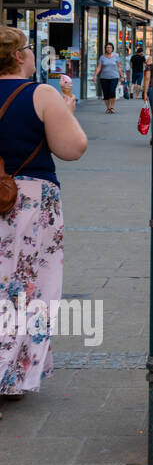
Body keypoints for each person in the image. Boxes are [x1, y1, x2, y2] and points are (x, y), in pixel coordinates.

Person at [0, 27, 88, 413]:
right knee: (29, 288)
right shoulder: (41, 94)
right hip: (30, 202)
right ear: (19, 57)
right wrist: (65, 115)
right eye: (29, 48)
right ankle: (13, 373)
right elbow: (73, 148)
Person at [92, 42, 122, 113]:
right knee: (105, 93)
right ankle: (108, 108)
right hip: (104, 78)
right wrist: (95, 75)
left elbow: (119, 68)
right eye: (107, 47)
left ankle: (112, 107)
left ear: (112, 49)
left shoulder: (116, 57)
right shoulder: (102, 57)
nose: (109, 49)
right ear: (105, 48)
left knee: (112, 91)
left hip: (114, 77)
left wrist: (122, 76)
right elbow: (99, 67)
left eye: (110, 47)